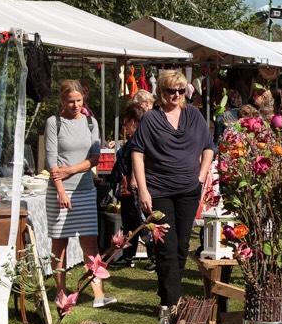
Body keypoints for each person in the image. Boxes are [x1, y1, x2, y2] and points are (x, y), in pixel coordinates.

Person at [131, 70, 213, 310]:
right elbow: (137, 153)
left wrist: (201, 175)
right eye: (170, 90)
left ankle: (168, 293)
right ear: (161, 92)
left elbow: (208, 146)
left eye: (180, 90)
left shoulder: (194, 115)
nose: (175, 95)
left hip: (189, 189)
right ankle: (171, 305)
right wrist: (143, 190)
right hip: (159, 190)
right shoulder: (151, 118)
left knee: (181, 246)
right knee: (166, 245)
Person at [46, 79, 115, 308]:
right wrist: (61, 190)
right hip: (59, 192)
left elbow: (95, 158)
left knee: (90, 244)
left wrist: (72, 170)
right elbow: (51, 160)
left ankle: (98, 295)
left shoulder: (91, 122)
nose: (76, 105)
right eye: (70, 101)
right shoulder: (54, 123)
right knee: (59, 246)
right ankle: (60, 293)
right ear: (62, 100)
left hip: (85, 190)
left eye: (79, 100)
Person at [110, 94, 156, 270]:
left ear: (133, 123)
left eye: (126, 123)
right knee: (131, 222)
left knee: (142, 223)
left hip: (134, 187)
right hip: (128, 188)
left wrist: (135, 180)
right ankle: (128, 255)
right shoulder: (134, 140)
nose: (125, 127)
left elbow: (140, 161)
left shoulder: (139, 140)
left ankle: (153, 257)